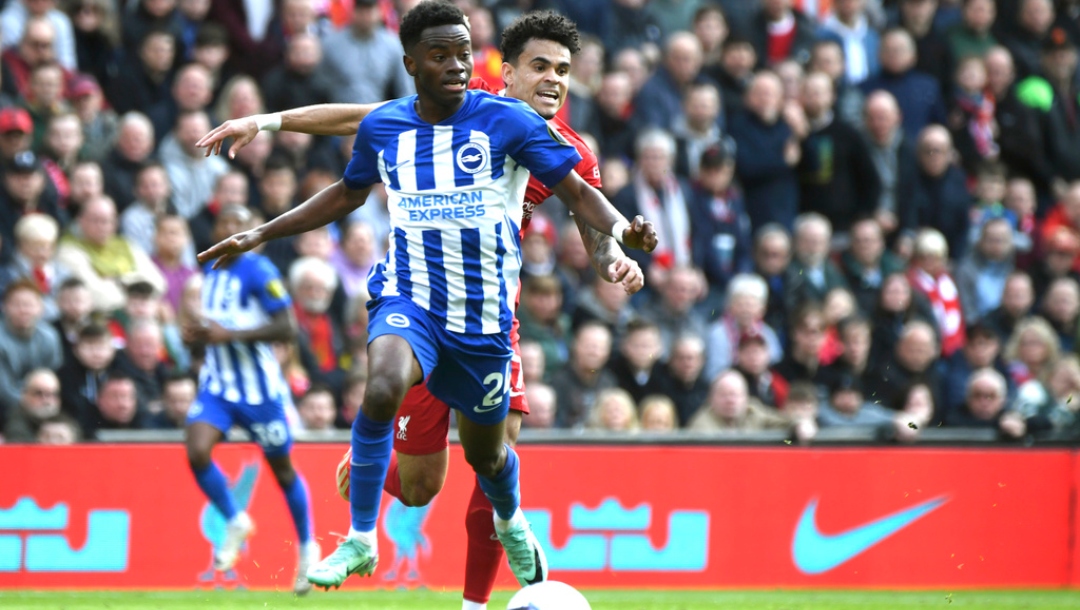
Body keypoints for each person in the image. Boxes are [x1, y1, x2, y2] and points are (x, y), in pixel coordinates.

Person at [196, 1, 657, 595]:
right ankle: (364, 526)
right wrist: (266, 123)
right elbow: (362, 122)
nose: (553, 80)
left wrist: (617, 250)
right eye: (540, 66)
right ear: (507, 72)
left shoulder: (544, 138)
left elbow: (586, 210)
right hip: (413, 298)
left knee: (484, 462)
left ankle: (486, 573)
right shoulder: (442, 100)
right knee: (394, 421)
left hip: (489, 314)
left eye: (564, 70)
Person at [180, 205, 319, 596]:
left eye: (237, 224)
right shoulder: (211, 271)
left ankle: (308, 549)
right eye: (224, 223)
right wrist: (199, 336)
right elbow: (216, 328)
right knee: (196, 451)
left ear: (250, 230)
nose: (228, 229)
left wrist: (230, 336)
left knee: (282, 470)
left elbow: (286, 327)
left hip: (260, 391)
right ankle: (234, 519)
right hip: (218, 386)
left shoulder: (259, 271)